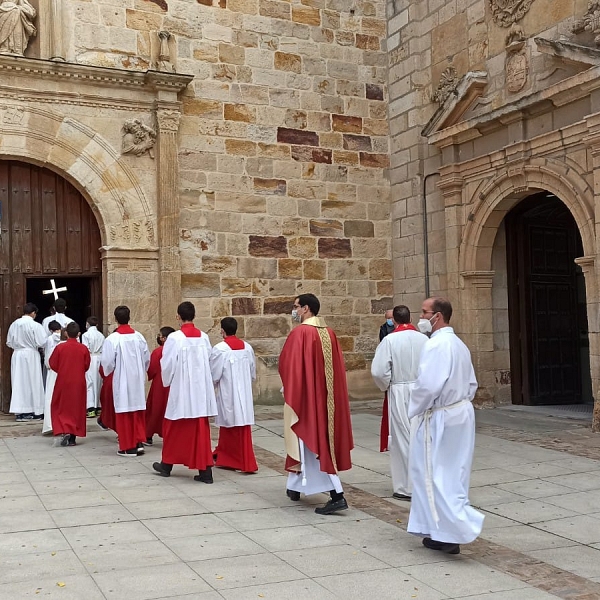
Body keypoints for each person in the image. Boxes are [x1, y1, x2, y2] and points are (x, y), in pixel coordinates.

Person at [407, 297, 484, 555]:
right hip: (460, 413)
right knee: (453, 472)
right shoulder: (459, 344)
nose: (421, 317)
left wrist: (414, 407)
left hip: (441, 416)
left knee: (432, 473)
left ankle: (454, 529)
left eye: (424, 312)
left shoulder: (437, 345)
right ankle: (439, 529)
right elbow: (472, 383)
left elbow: (428, 386)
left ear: (437, 316)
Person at [279, 293, 353, 515]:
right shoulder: (328, 333)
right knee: (309, 443)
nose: (294, 311)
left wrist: (291, 390)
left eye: (296, 307)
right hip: (325, 399)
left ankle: (337, 494)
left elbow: (287, 365)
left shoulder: (300, 333)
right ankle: (294, 486)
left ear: (306, 309)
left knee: (313, 443)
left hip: (306, 398)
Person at [152, 302, 217, 482]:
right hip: (200, 391)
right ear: (194, 316)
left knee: (174, 427)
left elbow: (168, 363)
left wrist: (168, 380)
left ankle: (166, 465)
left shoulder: (174, 338)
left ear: (178, 317)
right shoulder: (203, 337)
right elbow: (210, 361)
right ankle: (205, 471)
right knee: (200, 430)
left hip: (182, 388)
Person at [371, 305, 427, 500]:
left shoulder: (390, 340)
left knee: (402, 438)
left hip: (400, 389)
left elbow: (379, 371)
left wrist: (386, 385)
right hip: (421, 390)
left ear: (393, 320)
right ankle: (422, 482)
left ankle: (406, 486)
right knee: (420, 436)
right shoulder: (424, 339)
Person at [210, 317, 258, 473]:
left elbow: (214, 374)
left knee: (230, 423)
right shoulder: (247, 348)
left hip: (228, 393)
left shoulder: (220, 349)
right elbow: (252, 372)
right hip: (243, 392)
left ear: (222, 330)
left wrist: (213, 386)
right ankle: (228, 456)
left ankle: (234, 460)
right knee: (239, 422)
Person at [100, 306, 150, 457]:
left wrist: (111, 372)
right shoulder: (139, 337)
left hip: (122, 379)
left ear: (115, 319)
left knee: (124, 412)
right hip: (137, 380)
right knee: (137, 411)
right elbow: (147, 358)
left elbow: (107, 363)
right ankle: (139, 442)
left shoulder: (112, 339)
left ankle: (128, 446)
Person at [49, 322, 91, 447]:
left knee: (61, 405)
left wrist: (63, 369)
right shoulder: (83, 348)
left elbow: (52, 363)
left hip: (63, 380)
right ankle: (72, 436)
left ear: (66, 333)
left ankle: (63, 429)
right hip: (78, 381)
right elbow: (86, 365)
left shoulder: (60, 348)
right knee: (76, 407)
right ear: (78, 334)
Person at [7, 302, 47, 422]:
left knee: (19, 382)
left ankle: (21, 412)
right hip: (30, 355)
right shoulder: (35, 325)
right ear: (33, 313)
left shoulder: (14, 324)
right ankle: (35, 410)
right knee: (33, 381)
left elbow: (9, 342)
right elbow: (42, 342)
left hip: (18, 355)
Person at [145, 326, 175, 445]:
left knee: (154, 410)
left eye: (160, 335)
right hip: (173, 384)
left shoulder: (158, 352)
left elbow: (151, 369)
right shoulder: (175, 350)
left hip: (159, 384)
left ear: (164, 338)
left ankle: (148, 435)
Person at [41, 320, 63, 435]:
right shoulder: (64, 339)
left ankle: (50, 423)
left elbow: (48, 355)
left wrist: (48, 365)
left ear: (50, 330)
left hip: (52, 370)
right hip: (62, 370)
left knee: (50, 395)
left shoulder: (50, 339)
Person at [81, 316, 105, 418]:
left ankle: (90, 407)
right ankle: (99, 406)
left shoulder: (86, 335)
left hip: (90, 358)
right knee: (99, 383)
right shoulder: (101, 335)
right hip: (99, 358)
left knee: (89, 382)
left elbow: (85, 349)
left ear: (87, 323)